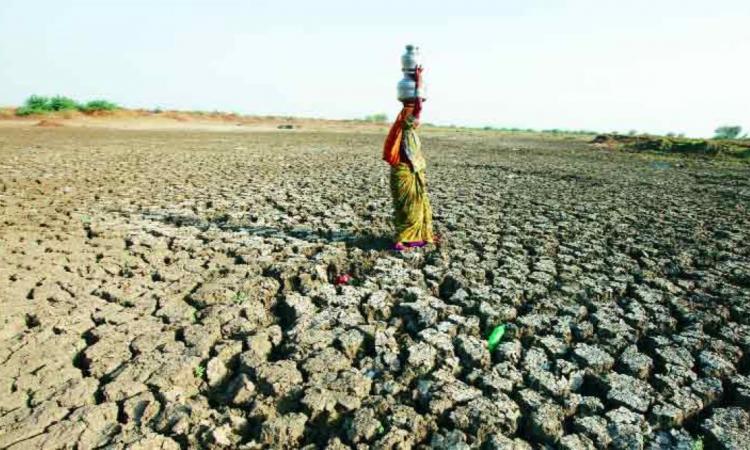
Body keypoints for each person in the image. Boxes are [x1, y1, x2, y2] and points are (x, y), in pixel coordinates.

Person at [382, 66, 434, 251]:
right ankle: (402, 239)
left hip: (406, 172)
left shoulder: (405, 131)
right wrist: (419, 80)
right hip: (405, 172)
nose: (419, 119)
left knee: (411, 206)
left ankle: (413, 237)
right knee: (410, 207)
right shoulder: (408, 124)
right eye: (416, 117)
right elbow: (418, 106)